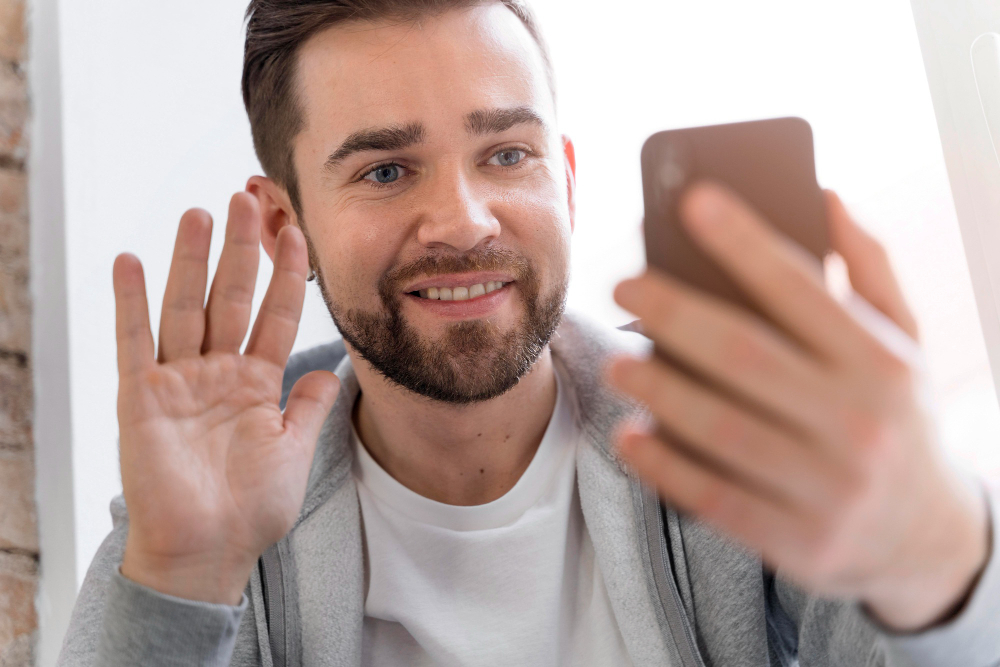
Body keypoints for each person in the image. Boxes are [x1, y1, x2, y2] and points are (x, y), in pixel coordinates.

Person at [57, 1, 999, 665]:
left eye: (507, 154)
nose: (464, 221)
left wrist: (941, 555)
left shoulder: (730, 434)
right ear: (282, 226)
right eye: (387, 171)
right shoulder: (215, 496)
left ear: (568, 179)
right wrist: (176, 583)